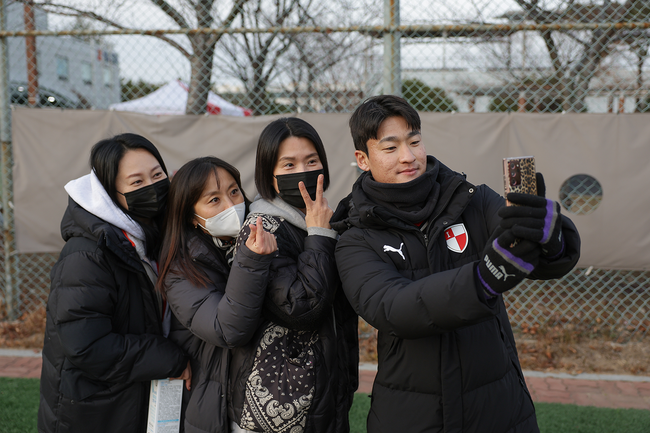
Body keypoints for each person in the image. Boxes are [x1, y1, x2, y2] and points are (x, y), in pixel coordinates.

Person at [332, 95, 581, 433]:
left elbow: (545, 258)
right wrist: (483, 280)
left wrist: (550, 235)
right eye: (390, 148)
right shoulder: (354, 235)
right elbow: (392, 308)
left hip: (499, 403)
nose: (408, 157)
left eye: (414, 142)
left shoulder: (471, 199)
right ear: (363, 158)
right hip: (411, 414)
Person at [38, 133, 190, 433]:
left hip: (131, 398)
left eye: (157, 174)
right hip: (95, 411)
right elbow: (86, 346)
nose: (152, 187)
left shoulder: (149, 237)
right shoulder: (87, 254)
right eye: (136, 182)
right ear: (111, 194)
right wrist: (168, 357)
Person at [227, 118, 358, 433]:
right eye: (288, 165)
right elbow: (302, 308)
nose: (303, 171)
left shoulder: (319, 218)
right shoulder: (262, 227)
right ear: (269, 176)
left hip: (323, 394)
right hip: (279, 406)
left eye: (311, 161)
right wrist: (318, 235)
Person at [157, 156, 278, 433]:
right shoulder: (181, 267)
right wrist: (252, 260)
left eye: (234, 191)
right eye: (214, 200)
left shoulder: (247, 239)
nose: (231, 205)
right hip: (217, 407)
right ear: (190, 215)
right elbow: (228, 329)